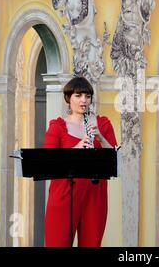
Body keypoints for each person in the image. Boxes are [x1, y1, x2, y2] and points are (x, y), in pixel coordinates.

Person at [43, 76, 117, 247]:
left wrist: (101, 138)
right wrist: (75, 148)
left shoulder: (103, 124)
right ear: (68, 99)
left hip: (94, 193)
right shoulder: (57, 127)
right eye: (78, 95)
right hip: (65, 193)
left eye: (87, 96)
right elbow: (48, 164)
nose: (84, 100)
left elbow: (115, 159)